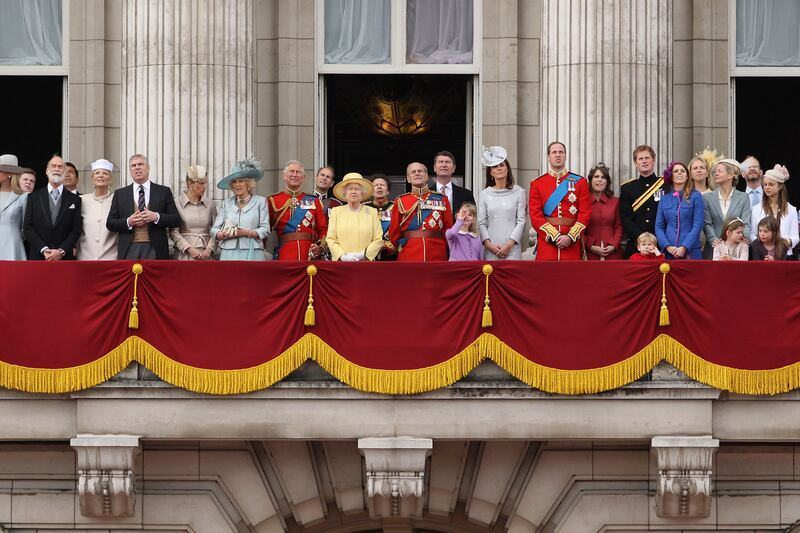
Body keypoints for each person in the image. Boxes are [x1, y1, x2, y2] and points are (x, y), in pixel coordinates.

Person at [106, 154, 180, 259]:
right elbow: (110, 223)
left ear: (148, 168)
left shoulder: (163, 191)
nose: (137, 168)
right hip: (129, 248)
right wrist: (128, 221)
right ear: (130, 170)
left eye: (140, 164)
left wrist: (156, 217)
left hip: (156, 248)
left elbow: (176, 220)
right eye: (133, 165)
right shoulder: (120, 194)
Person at [529, 141, 590, 261]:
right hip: (547, 246)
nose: (558, 155)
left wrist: (570, 237)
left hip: (571, 245)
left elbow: (585, 214)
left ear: (566, 156)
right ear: (548, 157)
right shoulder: (537, 184)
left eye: (561, 152)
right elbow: (535, 215)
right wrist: (554, 236)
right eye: (554, 152)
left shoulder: (580, 182)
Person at [388, 162, 453, 261]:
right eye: (413, 172)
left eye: (420, 171)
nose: (417, 173)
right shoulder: (401, 200)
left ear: (427, 176)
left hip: (436, 252)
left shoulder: (441, 199)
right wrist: (402, 246)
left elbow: (448, 229)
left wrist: (442, 247)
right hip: (409, 253)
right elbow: (394, 232)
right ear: (408, 178)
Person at [23, 154, 82, 260]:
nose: (57, 169)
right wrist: (43, 249)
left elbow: (76, 230)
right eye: (53, 166)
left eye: (60, 167)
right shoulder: (33, 197)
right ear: (46, 171)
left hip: (64, 259)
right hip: (39, 256)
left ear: (64, 172)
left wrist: (61, 251)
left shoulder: (75, 199)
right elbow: (28, 227)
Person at [211, 159, 270, 261]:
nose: (237, 185)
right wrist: (223, 234)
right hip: (228, 253)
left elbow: (265, 229)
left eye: (240, 181)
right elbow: (214, 230)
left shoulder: (261, 201)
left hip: (253, 251)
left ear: (249, 184)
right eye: (234, 182)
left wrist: (245, 233)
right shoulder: (226, 203)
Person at [267, 160, 327, 261]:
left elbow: (322, 229)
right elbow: (265, 229)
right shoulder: (273, 200)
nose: (295, 175)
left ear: (303, 177)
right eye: (292, 171)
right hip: (285, 253)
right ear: (284, 175)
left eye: (298, 172)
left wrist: (320, 247)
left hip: (309, 254)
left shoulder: (314, 200)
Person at [477, 146, 527, 260]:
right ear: (490, 172)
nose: (499, 168)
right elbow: (481, 222)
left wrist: (509, 244)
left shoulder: (519, 192)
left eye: (502, 165)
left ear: (507, 169)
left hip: (512, 249)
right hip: (491, 249)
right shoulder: (485, 194)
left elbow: (521, 221)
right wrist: (488, 245)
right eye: (495, 166)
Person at [619, 145, 666, 257]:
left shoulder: (665, 185)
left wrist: (655, 239)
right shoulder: (627, 188)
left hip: (660, 242)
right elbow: (626, 217)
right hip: (636, 244)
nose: (644, 161)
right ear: (635, 163)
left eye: (647, 158)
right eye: (640, 159)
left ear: (653, 160)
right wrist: (641, 239)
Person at [325, 173, 383, 261]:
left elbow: (378, 239)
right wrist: (343, 256)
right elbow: (330, 238)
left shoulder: (372, 212)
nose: (353, 191)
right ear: (345, 192)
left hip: (365, 262)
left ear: (362, 192)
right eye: (350, 189)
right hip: (342, 264)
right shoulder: (336, 212)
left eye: (357, 189)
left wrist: (363, 255)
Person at [702, 159, 751, 259]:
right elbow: (707, 223)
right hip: (713, 249)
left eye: (720, 171)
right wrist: (714, 240)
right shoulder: (707, 197)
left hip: (737, 249)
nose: (716, 173)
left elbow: (746, 222)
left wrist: (743, 237)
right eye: (715, 171)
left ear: (730, 175)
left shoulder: (743, 197)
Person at [655, 161, 704, 259]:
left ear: (687, 177)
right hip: (669, 253)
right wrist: (667, 246)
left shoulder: (696, 196)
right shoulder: (664, 199)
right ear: (671, 176)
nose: (679, 173)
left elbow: (698, 225)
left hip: (691, 251)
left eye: (682, 171)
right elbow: (659, 226)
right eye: (676, 171)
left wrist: (685, 247)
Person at [750, 164, 799, 258]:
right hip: (762, 256)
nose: (767, 187)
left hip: (785, 256)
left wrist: (782, 244)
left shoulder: (791, 210)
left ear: (780, 186)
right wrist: (764, 245)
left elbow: (795, 237)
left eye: (771, 184)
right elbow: (752, 234)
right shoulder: (757, 209)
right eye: (765, 185)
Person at [170, 163, 217, 260]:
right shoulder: (176, 204)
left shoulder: (211, 204)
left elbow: (217, 229)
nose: (205, 186)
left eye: (206, 182)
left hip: (206, 255)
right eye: (201, 183)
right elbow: (173, 231)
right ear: (190, 183)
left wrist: (209, 249)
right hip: (184, 255)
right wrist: (189, 248)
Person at [77, 158, 118, 260]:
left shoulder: (117, 200)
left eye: (105, 173)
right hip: (85, 258)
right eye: (97, 173)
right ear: (92, 178)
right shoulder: (82, 200)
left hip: (111, 258)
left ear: (110, 179)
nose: (100, 176)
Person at [584, 162, 623, 260]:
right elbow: (578, 229)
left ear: (607, 182)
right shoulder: (583, 202)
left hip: (612, 252)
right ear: (590, 180)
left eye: (603, 177)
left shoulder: (615, 202)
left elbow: (619, 226)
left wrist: (613, 245)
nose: (600, 180)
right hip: (589, 253)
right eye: (596, 176)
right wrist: (590, 246)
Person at [0, 154, 29, 260]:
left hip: (12, 245)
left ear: (10, 174)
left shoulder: (23, 197)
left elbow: (25, 227)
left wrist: (13, 236)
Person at [364, 174, 396, 260]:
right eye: (376, 185)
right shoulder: (363, 208)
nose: (379, 187)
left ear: (388, 191)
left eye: (382, 185)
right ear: (371, 191)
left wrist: (388, 246)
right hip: (368, 253)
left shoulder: (396, 207)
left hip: (390, 253)